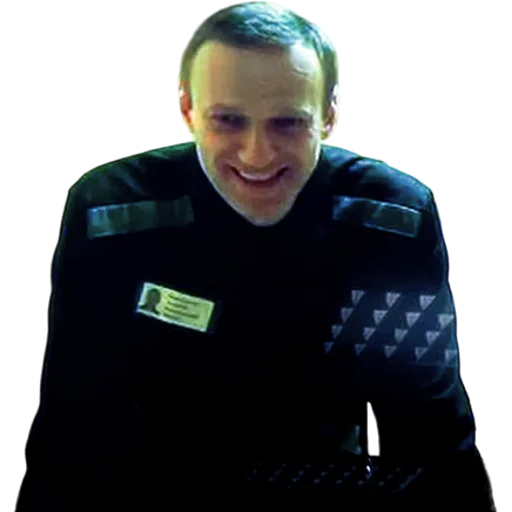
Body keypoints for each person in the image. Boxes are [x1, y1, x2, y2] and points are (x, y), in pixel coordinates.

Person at [25, 0, 484, 506]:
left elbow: (429, 431)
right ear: (187, 111)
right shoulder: (113, 216)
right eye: (228, 120)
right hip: (160, 492)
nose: (256, 155)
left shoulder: (390, 222)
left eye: (287, 123)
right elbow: (76, 424)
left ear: (329, 114)